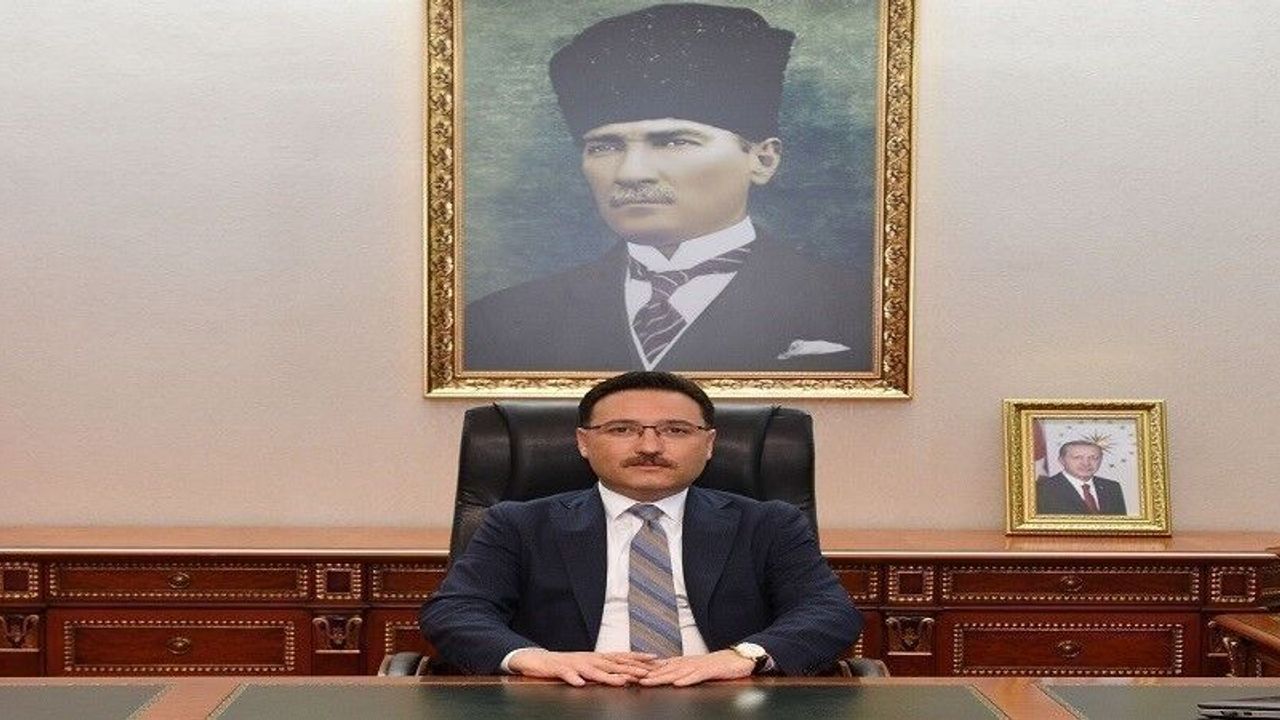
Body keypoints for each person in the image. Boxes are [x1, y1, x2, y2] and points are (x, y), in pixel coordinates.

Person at [464, 3, 870, 373]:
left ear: (762, 160)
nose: (630, 173)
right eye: (604, 146)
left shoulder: (860, 310)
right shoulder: (499, 324)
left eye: (674, 142)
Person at [419, 371, 862, 686]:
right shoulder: (519, 524)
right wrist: (540, 661)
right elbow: (455, 612)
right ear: (583, 442)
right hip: (567, 699)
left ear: (709, 444)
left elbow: (830, 614)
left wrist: (739, 658)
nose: (650, 446)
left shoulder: (768, 524)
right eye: (622, 429)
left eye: (676, 430)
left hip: (722, 697)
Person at [1036, 441, 1128, 515]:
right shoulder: (1041, 489)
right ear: (1061, 460)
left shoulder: (1112, 487)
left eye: (1093, 458)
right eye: (1077, 457)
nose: (1086, 463)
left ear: (1100, 460)